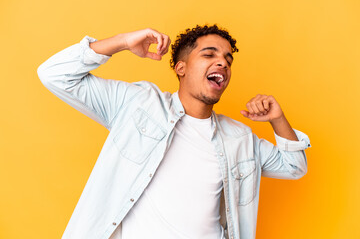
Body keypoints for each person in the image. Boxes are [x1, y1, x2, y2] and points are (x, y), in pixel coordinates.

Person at [37, 25, 311, 239]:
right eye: (209, 54)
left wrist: (278, 119)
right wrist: (121, 41)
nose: (223, 63)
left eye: (228, 59)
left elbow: (294, 166)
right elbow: (54, 74)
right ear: (181, 67)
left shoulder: (238, 138)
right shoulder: (137, 103)